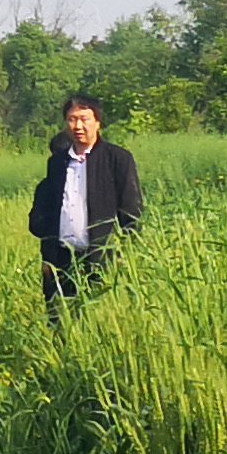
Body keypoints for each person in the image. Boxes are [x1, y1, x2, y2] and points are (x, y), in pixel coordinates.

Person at [26, 92, 140, 317]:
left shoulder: (117, 159)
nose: (78, 125)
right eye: (72, 119)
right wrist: (47, 257)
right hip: (62, 259)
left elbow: (131, 210)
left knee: (99, 320)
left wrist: (124, 253)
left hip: (100, 257)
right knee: (60, 321)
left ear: (97, 122)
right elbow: (47, 215)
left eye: (84, 119)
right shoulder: (57, 162)